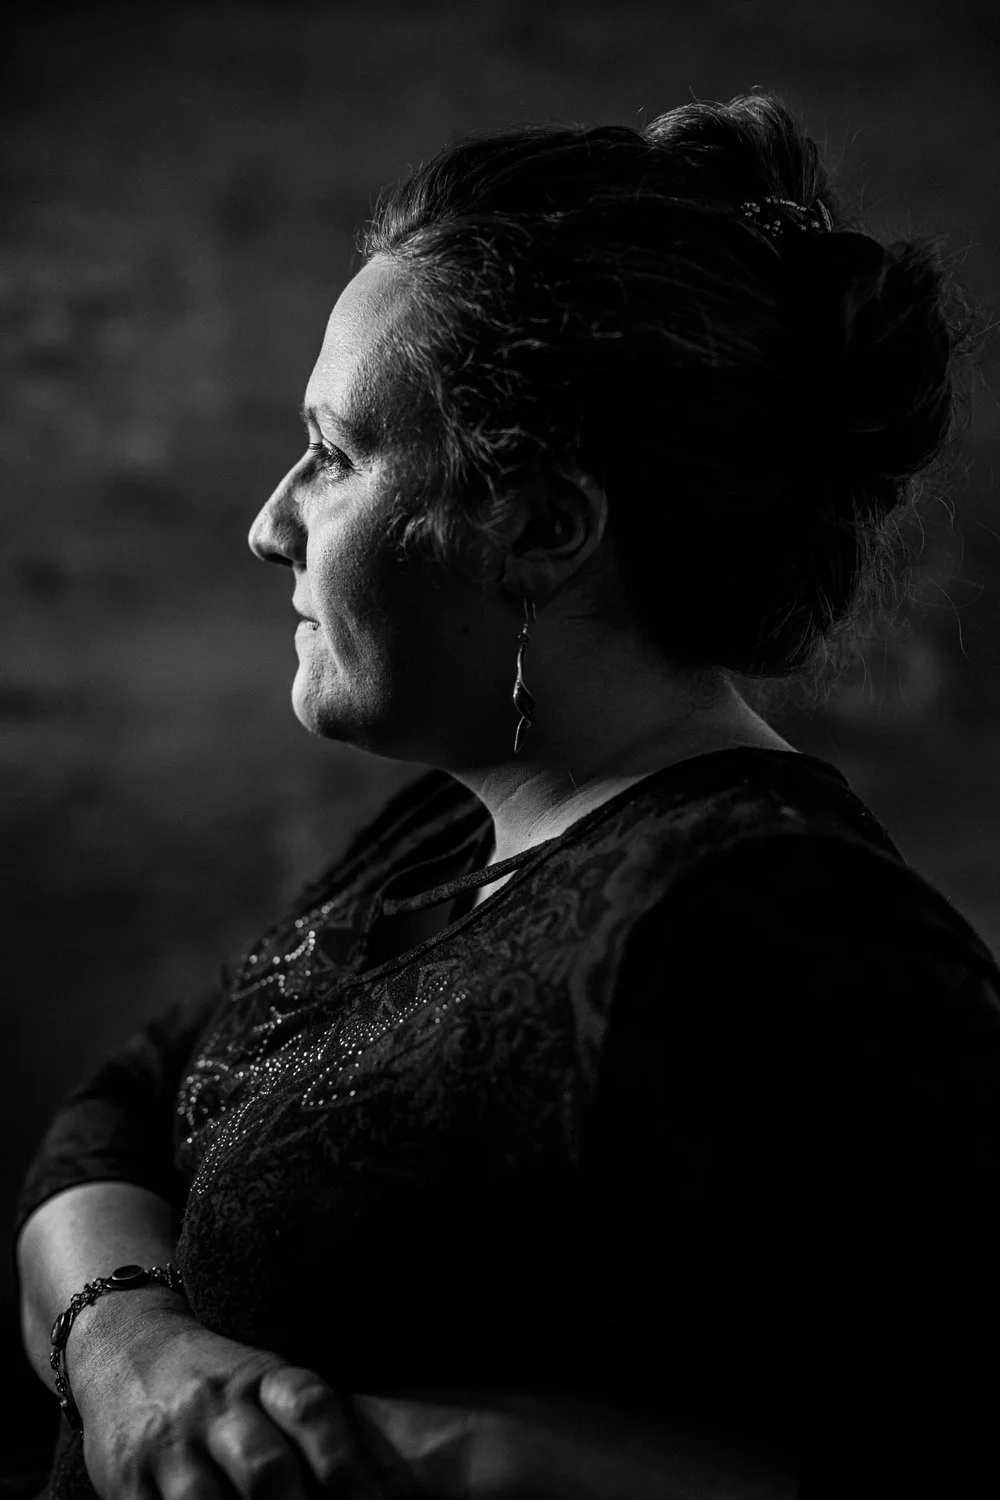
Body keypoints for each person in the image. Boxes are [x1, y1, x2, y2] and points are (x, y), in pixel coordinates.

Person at [13, 87, 1000, 1499]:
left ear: (540, 526)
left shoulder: (767, 930)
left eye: (336, 455)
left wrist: (436, 1457)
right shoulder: (446, 830)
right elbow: (112, 1116)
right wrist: (131, 1353)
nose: (268, 522)